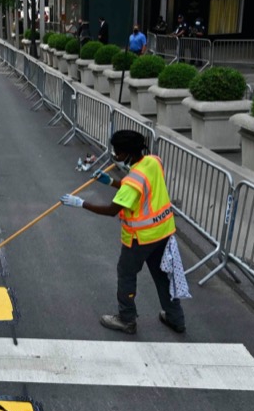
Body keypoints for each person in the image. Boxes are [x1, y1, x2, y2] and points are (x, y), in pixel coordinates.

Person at [59, 129, 185, 335]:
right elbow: (137, 188)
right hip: (162, 233)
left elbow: (112, 210)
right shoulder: (153, 162)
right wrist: (110, 182)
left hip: (140, 239)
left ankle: (126, 319)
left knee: (126, 275)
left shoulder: (134, 180)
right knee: (163, 276)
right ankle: (176, 318)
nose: (115, 156)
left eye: (117, 152)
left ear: (128, 153)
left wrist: (81, 203)